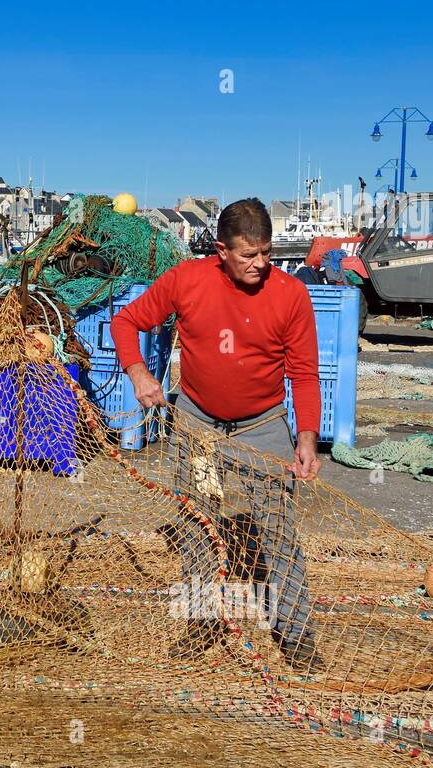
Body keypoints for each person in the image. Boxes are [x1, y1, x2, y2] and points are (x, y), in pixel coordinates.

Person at [109, 197, 324, 673]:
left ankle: (296, 635)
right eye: (248, 254)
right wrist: (140, 374)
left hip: (263, 425)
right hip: (197, 424)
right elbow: (125, 321)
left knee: (278, 532)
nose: (260, 264)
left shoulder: (290, 294)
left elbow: (304, 374)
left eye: (266, 252)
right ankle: (201, 622)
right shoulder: (187, 280)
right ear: (220, 250)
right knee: (198, 526)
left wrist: (305, 439)